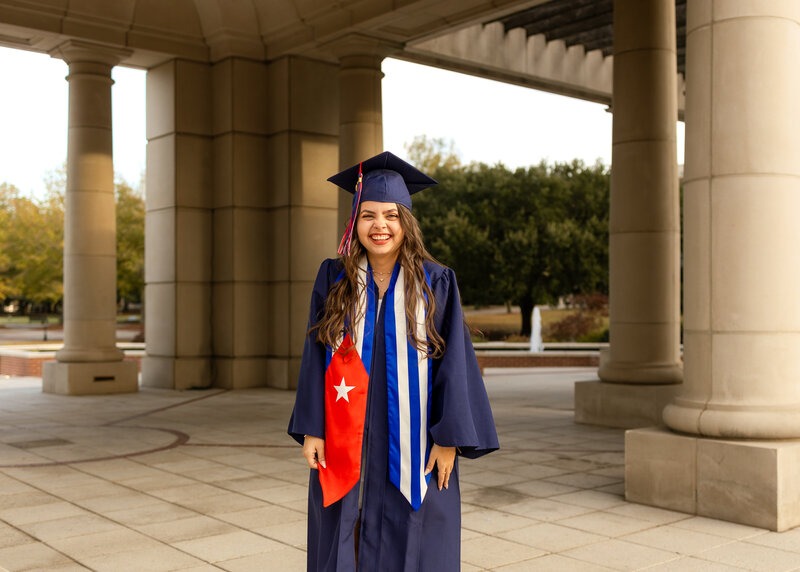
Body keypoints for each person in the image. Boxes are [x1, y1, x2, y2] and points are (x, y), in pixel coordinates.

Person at [288, 151, 498, 571]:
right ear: (354, 222)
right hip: (346, 429)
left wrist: (448, 438)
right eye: (368, 215)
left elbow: (454, 362)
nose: (379, 226)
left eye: (390, 215)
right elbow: (315, 354)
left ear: (407, 222)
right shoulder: (334, 279)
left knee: (417, 532)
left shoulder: (435, 281)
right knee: (342, 523)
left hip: (416, 438)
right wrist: (312, 429)